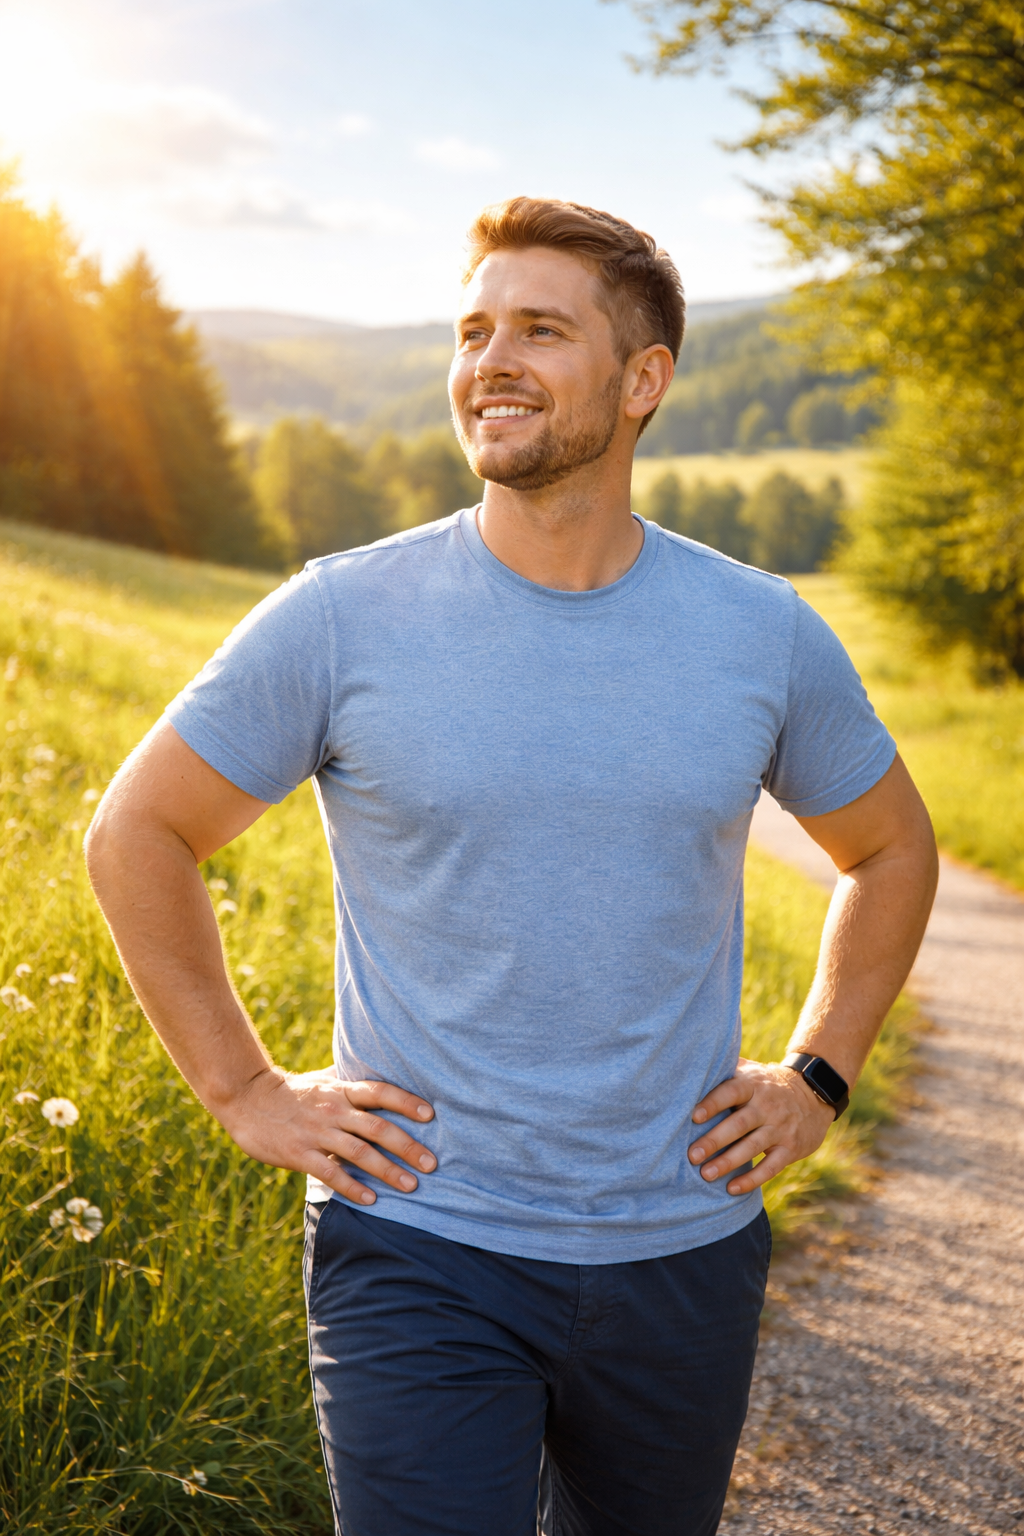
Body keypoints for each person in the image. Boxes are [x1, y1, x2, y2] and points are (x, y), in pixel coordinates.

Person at [85, 197, 938, 1536]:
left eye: (541, 329)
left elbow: (889, 849)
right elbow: (137, 831)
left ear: (642, 379)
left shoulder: (759, 631)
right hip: (419, 1247)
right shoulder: (339, 614)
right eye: (475, 328)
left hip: (686, 1252)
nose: (493, 358)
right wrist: (244, 1089)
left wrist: (821, 1071)